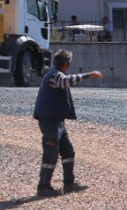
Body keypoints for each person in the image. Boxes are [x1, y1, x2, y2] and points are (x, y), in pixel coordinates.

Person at [33, 49, 104, 197]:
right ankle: (43, 186)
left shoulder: (54, 74)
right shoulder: (54, 75)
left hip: (57, 121)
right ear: (67, 64)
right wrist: (89, 75)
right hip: (50, 121)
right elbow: (66, 81)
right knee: (50, 153)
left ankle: (69, 183)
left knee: (68, 151)